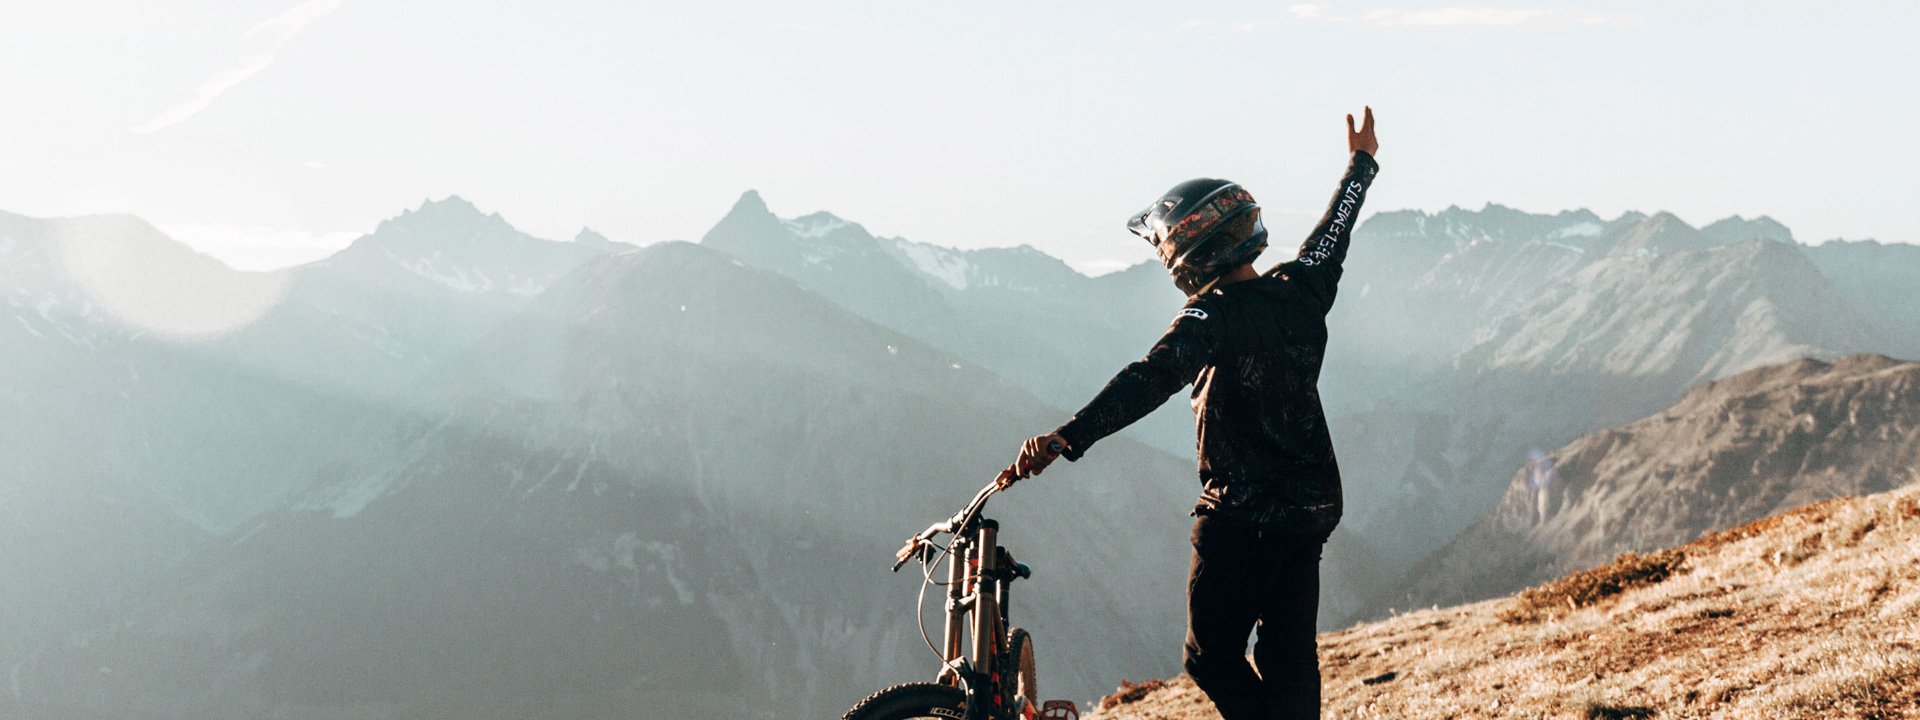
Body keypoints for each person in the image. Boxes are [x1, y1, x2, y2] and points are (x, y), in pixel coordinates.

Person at [995, 107, 1380, 720]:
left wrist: (1069, 436)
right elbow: (1333, 234)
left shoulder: (1212, 315)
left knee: (1209, 657)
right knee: (1288, 655)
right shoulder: (1301, 290)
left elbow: (1150, 379)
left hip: (1242, 514)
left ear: (1187, 254)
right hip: (1310, 508)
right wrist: (1360, 165)